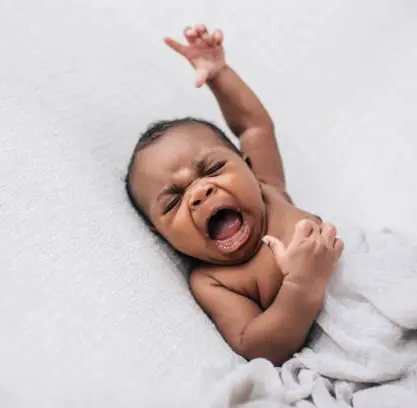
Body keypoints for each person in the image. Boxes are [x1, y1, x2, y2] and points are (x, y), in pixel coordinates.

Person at [125, 25, 344, 365]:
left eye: (212, 169)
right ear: (161, 234)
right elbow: (257, 346)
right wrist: (303, 284)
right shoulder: (213, 281)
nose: (199, 192)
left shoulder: (268, 189)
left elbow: (254, 126)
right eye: (173, 202)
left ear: (247, 166)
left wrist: (219, 73)